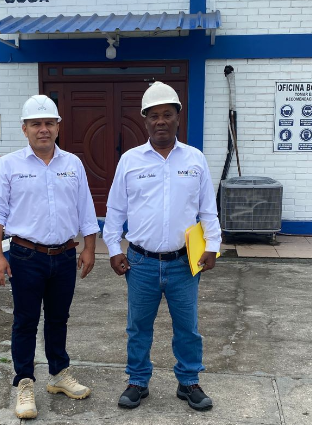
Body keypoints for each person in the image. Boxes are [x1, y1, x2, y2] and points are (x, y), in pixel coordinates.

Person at [103, 81, 222, 412]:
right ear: (144, 120)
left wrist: (213, 244)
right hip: (140, 262)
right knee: (138, 327)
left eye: (167, 114)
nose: (160, 121)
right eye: (153, 115)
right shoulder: (130, 161)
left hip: (184, 262)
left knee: (188, 328)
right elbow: (115, 210)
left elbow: (207, 209)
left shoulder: (195, 159)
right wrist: (113, 248)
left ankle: (189, 382)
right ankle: (138, 381)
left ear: (178, 117)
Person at [0, 94, 99, 420]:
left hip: (64, 256)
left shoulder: (72, 164)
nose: (43, 129)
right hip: (26, 256)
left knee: (58, 319)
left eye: (49, 123)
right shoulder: (9, 165)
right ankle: (24, 381)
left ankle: (59, 374)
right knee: (25, 320)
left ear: (58, 126)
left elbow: (86, 209)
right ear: (25, 129)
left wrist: (89, 248)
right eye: (36, 124)